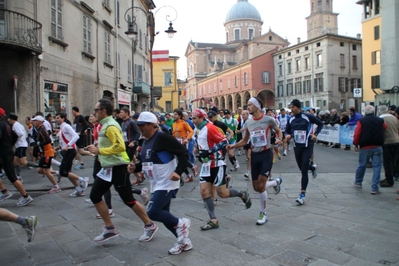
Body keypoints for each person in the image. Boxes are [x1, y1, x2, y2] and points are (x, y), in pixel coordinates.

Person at [87, 98, 158, 243]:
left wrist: (99, 150)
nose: (94, 113)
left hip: (118, 167)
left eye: (96, 110)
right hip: (108, 168)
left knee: (128, 199)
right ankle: (109, 228)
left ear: (103, 111)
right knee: (95, 195)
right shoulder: (104, 125)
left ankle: (149, 225)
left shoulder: (111, 126)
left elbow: (120, 147)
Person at [127, 112, 192, 255]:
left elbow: (183, 153)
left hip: (167, 182)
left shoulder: (163, 137)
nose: (140, 128)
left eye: (142, 125)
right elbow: (146, 162)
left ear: (151, 125)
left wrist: (178, 171)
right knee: (165, 215)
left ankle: (182, 223)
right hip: (156, 183)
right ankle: (184, 242)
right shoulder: (145, 140)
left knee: (153, 211)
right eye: (138, 125)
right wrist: (135, 168)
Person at [192, 109, 251, 230]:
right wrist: (199, 149)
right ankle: (213, 220)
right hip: (206, 165)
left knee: (222, 193)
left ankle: (241, 194)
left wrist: (209, 151)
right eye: (192, 118)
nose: (193, 121)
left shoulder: (210, 127)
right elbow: (205, 143)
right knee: (204, 192)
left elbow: (224, 141)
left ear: (201, 118)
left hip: (217, 163)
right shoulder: (199, 129)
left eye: (194, 118)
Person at [227, 97, 282, 225]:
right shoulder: (248, 123)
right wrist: (233, 146)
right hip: (255, 156)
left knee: (261, 185)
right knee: (256, 187)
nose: (248, 107)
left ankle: (263, 213)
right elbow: (245, 141)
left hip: (266, 154)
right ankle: (275, 183)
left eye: (250, 105)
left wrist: (279, 140)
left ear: (257, 106)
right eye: (247, 105)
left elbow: (279, 132)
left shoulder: (269, 120)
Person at [285, 99, 323, 205]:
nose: (291, 109)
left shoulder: (307, 117)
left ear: (298, 107)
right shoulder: (291, 119)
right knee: (302, 168)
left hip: (307, 146)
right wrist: (288, 135)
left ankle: (302, 195)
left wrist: (315, 134)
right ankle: (313, 167)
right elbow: (287, 131)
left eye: (293, 107)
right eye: (291, 107)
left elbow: (320, 124)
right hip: (297, 147)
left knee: (304, 170)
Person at [0, 108, 33, 206]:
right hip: (6, 151)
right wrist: (9, 145)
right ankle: (4, 192)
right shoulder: (7, 125)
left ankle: (26, 197)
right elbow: (14, 136)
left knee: (12, 177)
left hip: (5, 153)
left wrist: (6, 146)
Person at [353, 105, 386, 194]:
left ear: (365, 112)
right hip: (377, 145)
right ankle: (374, 188)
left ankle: (358, 182)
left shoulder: (361, 121)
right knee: (377, 166)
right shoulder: (380, 120)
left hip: (365, 146)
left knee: (362, 164)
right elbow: (385, 127)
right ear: (373, 112)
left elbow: (358, 133)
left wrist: (355, 143)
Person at [54, 113, 89, 196]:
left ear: (63, 118)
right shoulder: (62, 127)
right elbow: (66, 139)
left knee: (63, 172)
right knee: (68, 172)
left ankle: (83, 180)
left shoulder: (66, 126)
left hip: (70, 151)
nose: (56, 119)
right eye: (56, 118)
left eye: (58, 118)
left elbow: (76, 136)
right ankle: (79, 189)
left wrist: (68, 145)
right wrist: (60, 146)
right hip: (67, 151)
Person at [32, 115, 62, 193]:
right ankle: (58, 173)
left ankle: (56, 187)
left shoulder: (42, 130)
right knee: (39, 170)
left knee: (46, 171)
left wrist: (39, 144)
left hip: (47, 152)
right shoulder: (40, 130)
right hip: (44, 153)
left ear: (39, 122)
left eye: (35, 121)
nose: (33, 122)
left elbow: (48, 140)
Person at [7, 113, 35, 182]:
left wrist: (13, 140)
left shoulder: (16, 125)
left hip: (21, 145)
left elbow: (20, 134)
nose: (8, 120)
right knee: (15, 162)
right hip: (19, 145)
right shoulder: (18, 125)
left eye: (9, 119)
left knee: (24, 162)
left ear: (11, 119)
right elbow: (25, 134)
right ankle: (18, 177)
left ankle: (40, 166)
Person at [378, 105, 399, 188]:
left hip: (387, 142)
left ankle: (389, 179)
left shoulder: (380, 119)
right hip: (396, 141)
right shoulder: (394, 118)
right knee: (394, 161)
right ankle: (393, 176)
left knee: (387, 162)